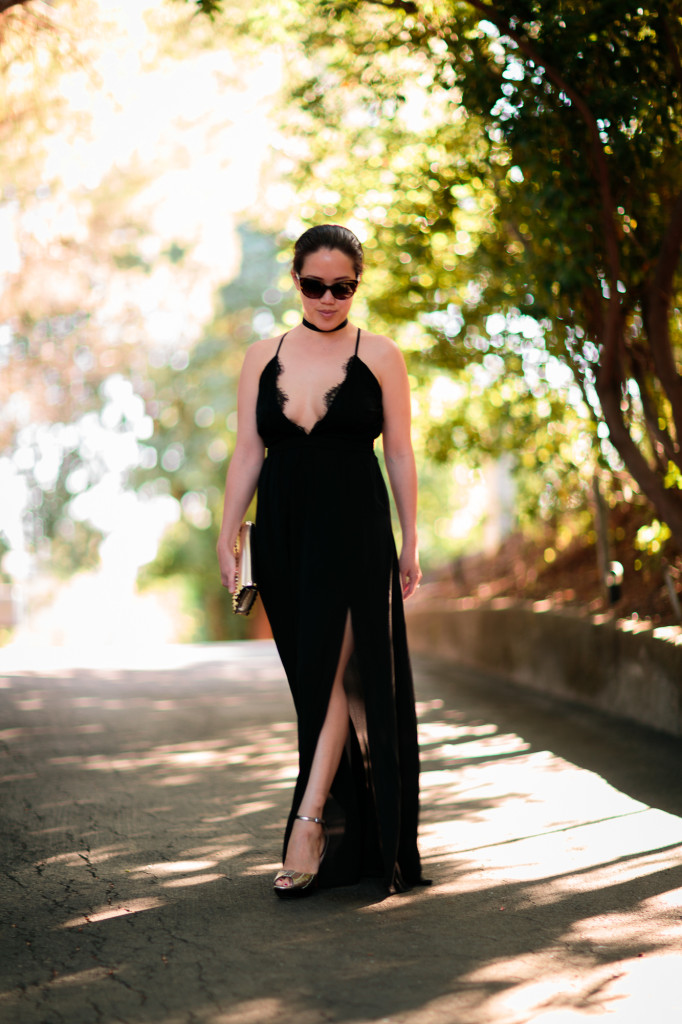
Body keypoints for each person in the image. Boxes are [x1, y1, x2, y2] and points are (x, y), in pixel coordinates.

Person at [217, 224, 429, 897]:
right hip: (281, 530)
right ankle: (349, 829)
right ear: (297, 282)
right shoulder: (262, 356)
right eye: (316, 286)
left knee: (329, 669)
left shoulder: (382, 355)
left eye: (343, 286)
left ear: (356, 285)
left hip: (355, 528)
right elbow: (250, 450)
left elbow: (398, 451)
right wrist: (228, 533)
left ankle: (309, 826)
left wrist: (412, 536)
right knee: (313, 681)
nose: (329, 298)